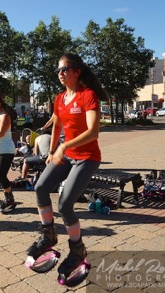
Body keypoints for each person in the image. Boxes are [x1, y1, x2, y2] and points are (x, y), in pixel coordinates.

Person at [26, 53, 107, 284]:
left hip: (87, 158)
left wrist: (64, 147)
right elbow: (57, 126)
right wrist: (53, 150)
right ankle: (48, 236)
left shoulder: (87, 95)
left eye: (64, 69)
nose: (60, 74)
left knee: (65, 204)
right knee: (40, 188)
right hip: (66, 155)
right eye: (58, 71)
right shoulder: (60, 98)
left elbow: (93, 131)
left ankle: (78, 250)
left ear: (77, 71)